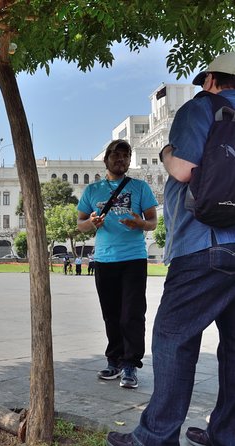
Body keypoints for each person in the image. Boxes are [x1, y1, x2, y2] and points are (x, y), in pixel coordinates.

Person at [106, 52, 235, 446]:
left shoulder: (202, 108)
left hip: (203, 245)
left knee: (171, 337)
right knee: (232, 348)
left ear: (211, 79)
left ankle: (155, 436)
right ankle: (226, 434)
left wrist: (164, 153)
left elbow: (182, 169)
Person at [77, 139, 158, 390]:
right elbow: (81, 224)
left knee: (132, 313)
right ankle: (114, 361)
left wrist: (140, 224)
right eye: (116, 155)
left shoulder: (140, 187)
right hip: (104, 259)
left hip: (133, 258)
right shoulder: (92, 191)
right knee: (111, 313)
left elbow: (153, 221)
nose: (121, 159)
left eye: (125, 155)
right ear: (106, 159)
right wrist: (92, 222)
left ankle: (130, 365)